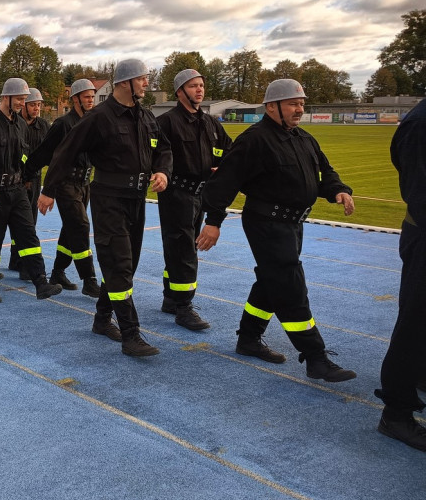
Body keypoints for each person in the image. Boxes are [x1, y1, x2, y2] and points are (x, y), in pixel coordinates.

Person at [199, 78, 357, 382]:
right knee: (290, 285)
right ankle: (316, 358)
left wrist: (338, 190)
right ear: (272, 106)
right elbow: (222, 184)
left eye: (301, 103)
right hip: (266, 223)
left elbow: (324, 171)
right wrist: (214, 222)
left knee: (272, 282)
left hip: (293, 224)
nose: (299, 109)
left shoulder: (304, 138)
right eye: (292, 104)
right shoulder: (254, 140)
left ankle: (248, 338)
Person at [40, 59, 171, 356]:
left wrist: (162, 171)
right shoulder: (99, 117)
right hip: (109, 198)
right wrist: (49, 190)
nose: (146, 84)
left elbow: (163, 148)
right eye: (142, 79)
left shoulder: (147, 117)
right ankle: (131, 334)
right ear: (125, 83)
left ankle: (101, 320)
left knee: (127, 265)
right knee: (120, 264)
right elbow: (66, 151)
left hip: (136, 200)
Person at [0, 77, 62, 304]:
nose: (23, 103)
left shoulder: (20, 125)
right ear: (6, 98)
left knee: (28, 236)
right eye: (20, 99)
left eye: (25, 99)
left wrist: (27, 178)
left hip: (17, 189)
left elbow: (24, 158)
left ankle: (40, 282)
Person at [156, 69, 233, 331]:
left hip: (201, 194)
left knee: (182, 246)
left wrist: (221, 166)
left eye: (201, 85)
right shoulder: (167, 122)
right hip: (176, 193)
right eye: (192, 86)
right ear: (179, 92)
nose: (199, 90)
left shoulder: (211, 123)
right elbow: (158, 155)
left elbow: (227, 151)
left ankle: (171, 297)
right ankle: (184, 307)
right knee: (184, 249)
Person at [376, 97, 426, 449]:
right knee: (415, 322)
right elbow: (419, 193)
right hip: (424, 234)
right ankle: (397, 412)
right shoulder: (421, 124)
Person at [25, 78, 102, 298]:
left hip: (85, 183)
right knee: (80, 226)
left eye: (92, 96)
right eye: (86, 96)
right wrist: (27, 174)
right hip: (66, 183)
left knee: (70, 229)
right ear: (75, 98)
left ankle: (58, 272)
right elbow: (44, 153)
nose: (90, 100)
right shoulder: (62, 124)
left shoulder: (92, 121)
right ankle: (89, 280)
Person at [9, 87, 49, 279]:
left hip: (34, 179)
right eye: (33, 104)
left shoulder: (43, 126)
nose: (36, 108)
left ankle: (19, 260)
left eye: (38, 105)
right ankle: (20, 262)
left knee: (30, 221)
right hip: (17, 179)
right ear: (23, 106)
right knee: (21, 223)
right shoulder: (15, 124)